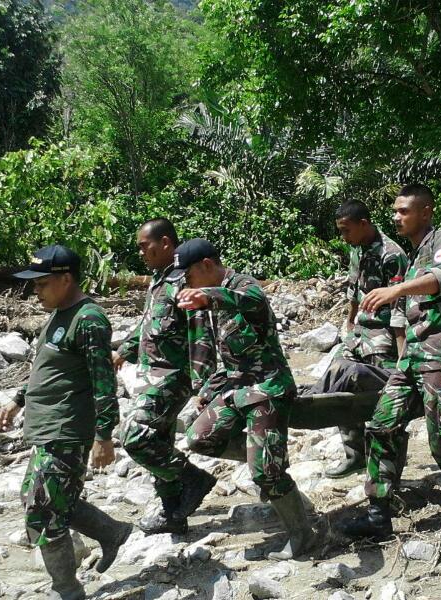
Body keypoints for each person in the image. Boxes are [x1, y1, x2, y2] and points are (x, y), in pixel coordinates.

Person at [341, 184, 441, 542]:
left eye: (404, 211)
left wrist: (396, 289)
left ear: (425, 212)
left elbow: (440, 280)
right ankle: (378, 513)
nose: (396, 217)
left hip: (440, 356)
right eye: (395, 211)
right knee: (381, 426)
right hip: (412, 357)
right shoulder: (412, 254)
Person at [0, 245, 131, 600]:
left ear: (66, 278)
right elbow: (46, 369)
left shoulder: (88, 319)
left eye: (41, 284)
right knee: (40, 498)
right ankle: (112, 532)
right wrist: (17, 399)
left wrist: (104, 435)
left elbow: (104, 381)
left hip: (67, 431)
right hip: (48, 429)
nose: (36, 291)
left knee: (41, 513)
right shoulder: (59, 315)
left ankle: (68, 591)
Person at [176, 239, 314, 561]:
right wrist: (208, 390)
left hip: (268, 388)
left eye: (189, 276)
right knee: (198, 438)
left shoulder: (242, 287)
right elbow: (229, 359)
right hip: (238, 390)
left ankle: (303, 535)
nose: (185, 283)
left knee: (265, 472)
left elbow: (249, 301)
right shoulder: (209, 306)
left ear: (207, 266)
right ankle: (266, 455)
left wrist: (208, 295)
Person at [114, 219, 216, 535]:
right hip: (153, 373)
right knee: (158, 440)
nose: (142, 253)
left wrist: (203, 384)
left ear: (167, 244)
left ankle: (192, 479)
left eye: (146, 246)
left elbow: (201, 336)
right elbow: (151, 325)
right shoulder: (159, 280)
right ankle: (173, 514)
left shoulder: (183, 280)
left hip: (175, 375)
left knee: (134, 434)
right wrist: (124, 350)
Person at [311, 200, 408, 478]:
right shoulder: (357, 248)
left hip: (383, 335)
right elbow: (354, 289)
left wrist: (402, 352)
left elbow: (401, 306)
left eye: (346, 230)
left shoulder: (392, 254)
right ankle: (355, 455)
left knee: (384, 400)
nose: (343, 237)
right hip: (359, 333)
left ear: (363, 224)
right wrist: (349, 321)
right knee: (341, 383)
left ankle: (390, 469)